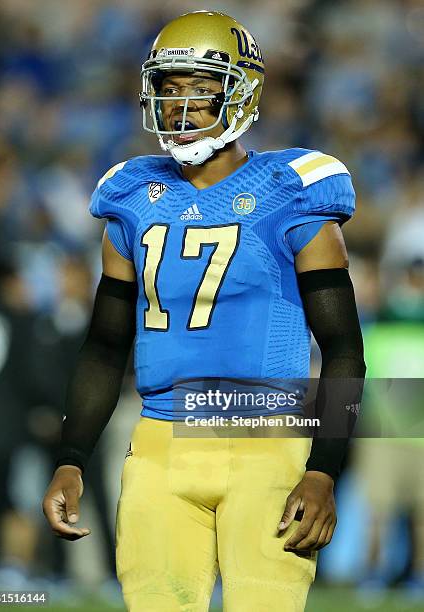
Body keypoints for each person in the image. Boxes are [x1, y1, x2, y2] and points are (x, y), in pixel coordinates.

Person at [42, 10, 365, 612]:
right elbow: (105, 346)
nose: (180, 105)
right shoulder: (131, 195)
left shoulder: (292, 189)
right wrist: (72, 457)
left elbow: (344, 347)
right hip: (160, 442)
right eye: (168, 89)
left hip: (267, 440)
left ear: (240, 91)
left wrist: (324, 469)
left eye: (200, 88)